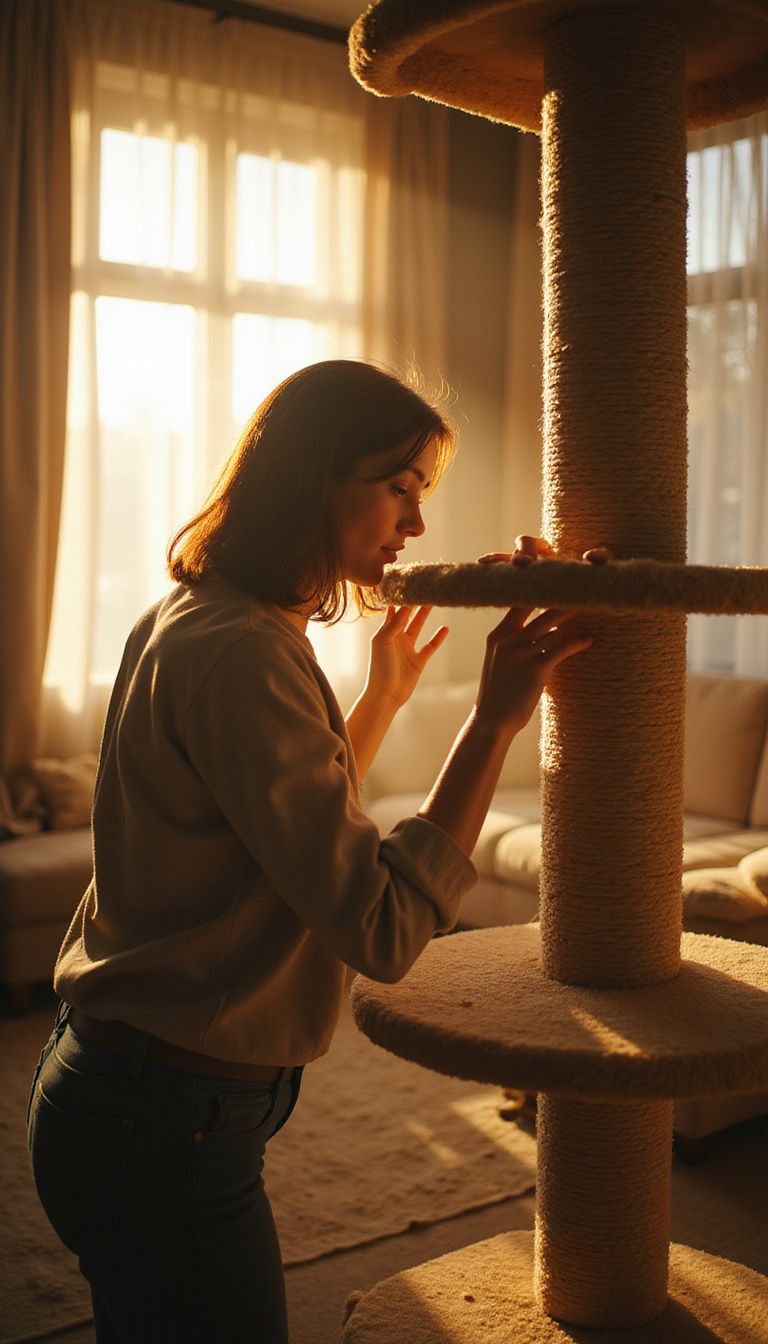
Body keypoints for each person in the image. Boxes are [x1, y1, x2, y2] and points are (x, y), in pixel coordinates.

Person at [27, 359, 595, 1344]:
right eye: (401, 488)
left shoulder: (195, 616)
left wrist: (381, 701)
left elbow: (278, 831)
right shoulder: (244, 653)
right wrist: (494, 722)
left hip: (119, 1095)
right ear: (314, 475)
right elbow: (378, 927)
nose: (416, 526)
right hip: (161, 1120)